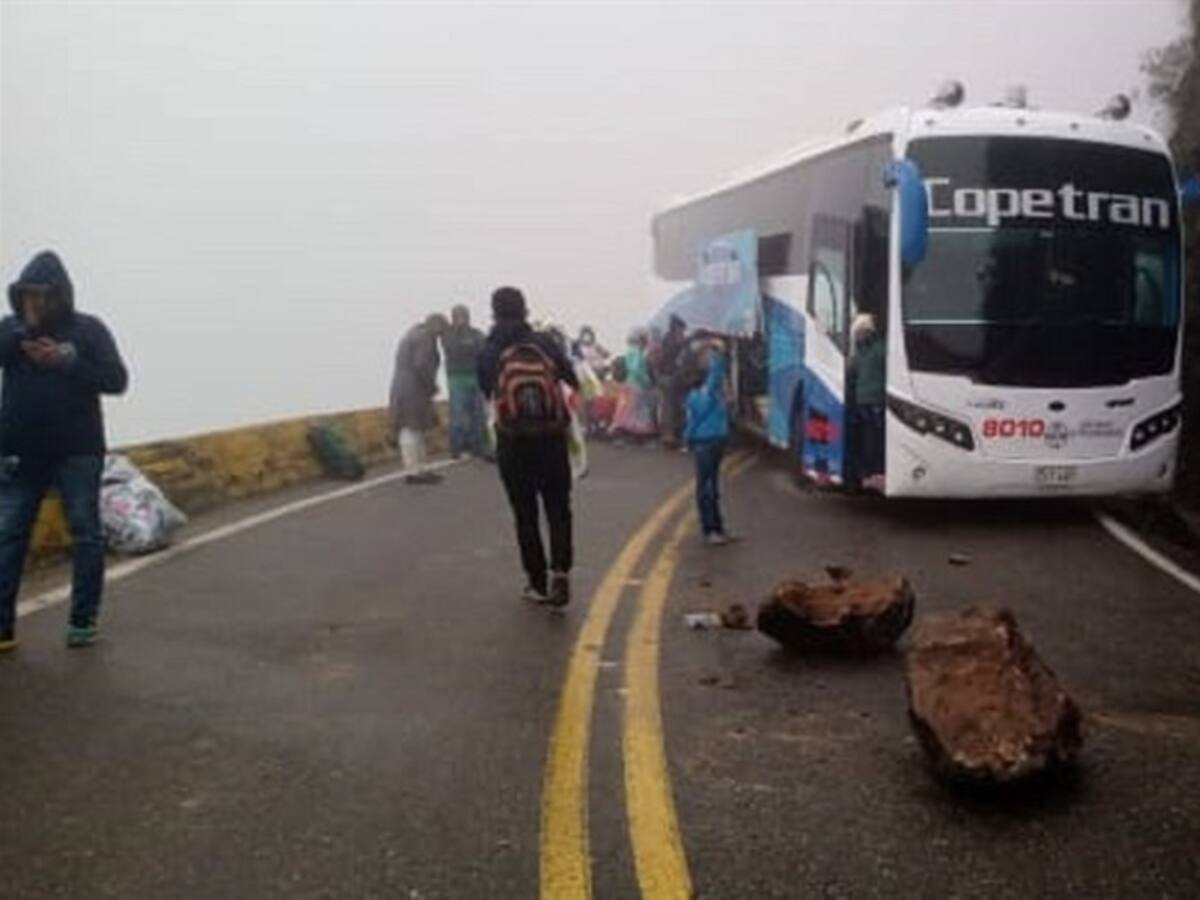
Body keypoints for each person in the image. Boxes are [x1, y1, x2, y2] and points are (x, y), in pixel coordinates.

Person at [0, 250, 129, 651]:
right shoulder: (9, 330)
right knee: (8, 533)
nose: (34, 302)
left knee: (86, 534)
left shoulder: (88, 331)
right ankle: (2, 627)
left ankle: (82, 621)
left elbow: (117, 379)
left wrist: (69, 362)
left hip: (78, 451)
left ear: (61, 295)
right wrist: (23, 334)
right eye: (27, 295)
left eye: (42, 295)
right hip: (21, 451)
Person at [478, 287, 579, 607]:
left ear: (494, 312)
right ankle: (560, 572)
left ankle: (536, 583)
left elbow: (486, 389)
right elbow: (572, 379)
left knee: (525, 513)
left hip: (513, 442)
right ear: (524, 309)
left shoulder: (490, 348)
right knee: (558, 509)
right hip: (551, 438)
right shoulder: (544, 343)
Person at [390, 313, 449, 484]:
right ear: (435, 324)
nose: (442, 334)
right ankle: (414, 471)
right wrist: (431, 386)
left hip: (405, 387)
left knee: (416, 429)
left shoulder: (414, 333)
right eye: (442, 329)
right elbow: (422, 365)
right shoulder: (425, 338)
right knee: (411, 429)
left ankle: (420, 469)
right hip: (413, 388)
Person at [684, 337, 732, 546]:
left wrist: (688, 439)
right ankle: (711, 529)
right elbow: (716, 372)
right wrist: (718, 350)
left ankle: (716, 527)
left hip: (710, 442)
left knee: (710, 486)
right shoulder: (705, 393)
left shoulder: (697, 395)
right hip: (709, 442)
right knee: (708, 488)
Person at [442, 304, 490, 460]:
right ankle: (459, 448)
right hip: (457, 379)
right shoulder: (448, 335)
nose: (462, 318)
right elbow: (453, 349)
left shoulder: (477, 334)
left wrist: (468, 347)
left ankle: (480, 446)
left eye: (464, 315)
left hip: (476, 377)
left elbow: (483, 350)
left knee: (479, 414)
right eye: (458, 315)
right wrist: (469, 347)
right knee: (459, 416)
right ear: (453, 318)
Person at [850, 313, 886, 492]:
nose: (858, 336)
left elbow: (852, 371)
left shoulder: (867, 351)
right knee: (873, 439)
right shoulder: (879, 348)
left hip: (870, 401)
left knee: (870, 440)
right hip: (871, 402)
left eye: (860, 332)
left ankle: (871, 474)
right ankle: (873, 474)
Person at [609, 327, 657, 441]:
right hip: (637, 385)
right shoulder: (637, 351)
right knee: (636, 410)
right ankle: (636, 433)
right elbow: (635, 369)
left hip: (628, 383)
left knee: (627, 409)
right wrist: (647, 380)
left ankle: (622, 432)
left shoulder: (629, 350)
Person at [654, 315, 689, 448]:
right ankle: (669, 435)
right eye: (681, 328)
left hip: (667, 377)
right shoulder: (672, 341)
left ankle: (671, 434)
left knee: (670, 406)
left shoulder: (667, 339)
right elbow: (673, 356)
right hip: (669, 377)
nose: (683, 332)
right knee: (670, 407)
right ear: (676, 327)